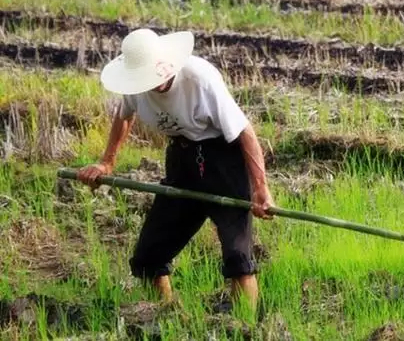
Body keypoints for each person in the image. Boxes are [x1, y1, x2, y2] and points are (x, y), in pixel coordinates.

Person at [76, 28, 275, 311]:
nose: (155, 83)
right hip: (182, 162)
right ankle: (164, 316)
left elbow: (244, 131)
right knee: (149, 256)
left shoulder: (199, 79)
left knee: (237, 256)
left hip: (223, 162)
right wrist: (107, 161)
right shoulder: (136, 85)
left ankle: (245, 327)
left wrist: (260, 188)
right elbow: (124, 117)